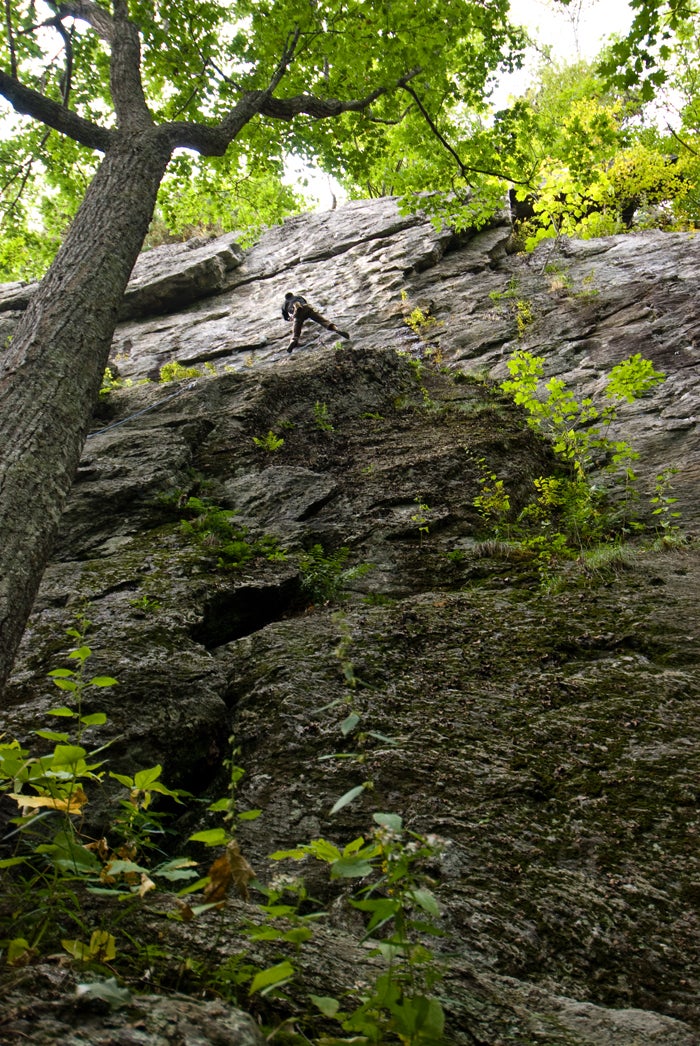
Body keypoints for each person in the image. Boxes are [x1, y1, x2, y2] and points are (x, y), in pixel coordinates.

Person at [281, 292, 350, 352]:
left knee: (296, 332)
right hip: (306, 308)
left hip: (297, 313)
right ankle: (336, 329)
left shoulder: (284, 304)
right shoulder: (298, 297)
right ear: (292, 295)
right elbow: (305, 302)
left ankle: (293, 340)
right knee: (323, 321)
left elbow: (285, 317)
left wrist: (290, 318)